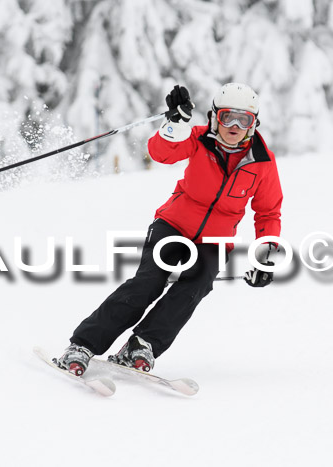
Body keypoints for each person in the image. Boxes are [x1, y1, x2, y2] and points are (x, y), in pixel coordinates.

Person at [55, 83, 283, 375]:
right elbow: (161, 153)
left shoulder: (263, 162)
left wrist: (264, 256)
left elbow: (268, 212)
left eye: (244, 120)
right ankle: (83, 345)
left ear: (255, 123)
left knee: (196, 285)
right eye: (228, 117)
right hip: (173, 225)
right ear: (215, 117)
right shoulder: (198, 139)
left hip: (215, 240)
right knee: (148, 283)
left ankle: (142, 344)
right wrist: (174, 125)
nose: (235, 126)